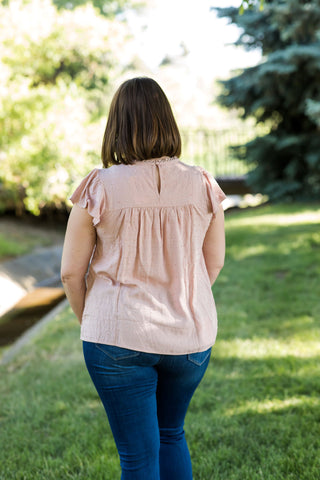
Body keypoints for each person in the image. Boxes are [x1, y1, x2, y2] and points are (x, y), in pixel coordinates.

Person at [61, 76, 226, 480]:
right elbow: (214, 263)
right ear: (167, 122)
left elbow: (69, 273)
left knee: (137, 458)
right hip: (190, 337)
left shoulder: (98, 187)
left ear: (116, 126)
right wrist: (182, 301)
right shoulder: (203, 183)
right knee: (171, 434)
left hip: (115, 336)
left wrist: (92, 321)